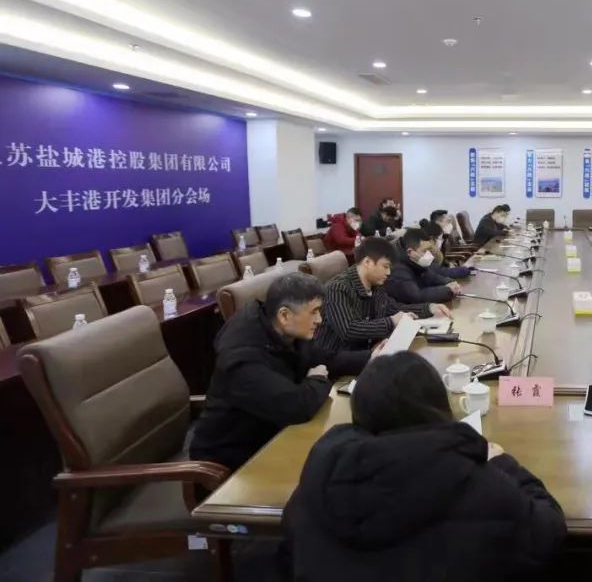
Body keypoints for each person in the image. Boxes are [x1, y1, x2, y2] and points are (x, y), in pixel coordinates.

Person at [283, 351, 567, 581]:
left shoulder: (319, 476)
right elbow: (548, 532)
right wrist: (503, 463)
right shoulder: (479, 483)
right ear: (437, 406)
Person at [190, 273, 374, 471]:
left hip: (272, 431)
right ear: (284, 315)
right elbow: (296, 407)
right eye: (314, 312)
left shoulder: (283, 330)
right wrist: (318, 379)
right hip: (234, 459)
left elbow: (325, 358)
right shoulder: (242, 357)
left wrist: (373, 357)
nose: (320, 320)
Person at [314, 237, 450, 353]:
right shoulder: (338, 288)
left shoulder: (375, 285)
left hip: (368, 352)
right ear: (367, 262)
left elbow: (394, 308)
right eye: (385, 266)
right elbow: (349, 329)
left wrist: (429, 308)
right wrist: (391, 322)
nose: (389, 272)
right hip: (337, 361)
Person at [384, 228, 463, 304]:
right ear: (410, 252)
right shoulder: (397, 269)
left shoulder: (415, 262)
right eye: (425, 250)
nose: (429, 254)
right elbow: (416, 297)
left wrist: (450, 283)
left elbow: (433, 278)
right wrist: (448, 290)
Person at [423, 210, 473, 279]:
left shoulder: (443, 236)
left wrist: (448, 263)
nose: (451, 224)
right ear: (438, 223)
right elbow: (435, 265)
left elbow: (442, 257)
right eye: (448, 221)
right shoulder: (430, 241)